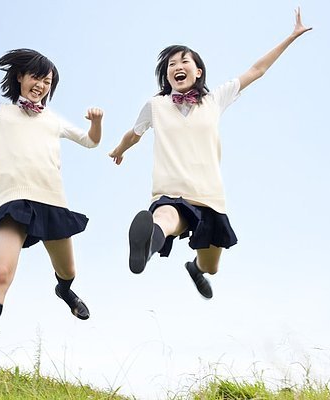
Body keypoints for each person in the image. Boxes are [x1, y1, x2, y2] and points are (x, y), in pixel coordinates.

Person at [0, 34, 103, 384]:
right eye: (36, 77)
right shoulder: (0, 113)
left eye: (48, 81)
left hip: (53, 204)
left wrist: (96, 121)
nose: (41, 84)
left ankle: (64, 290)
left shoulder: (53, 120)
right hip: (13, 203)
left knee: (68, 269)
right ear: (20, 78)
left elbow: (90, 142)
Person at [109, 8, 311, 299]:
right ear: (166, 75)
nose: (177, 66)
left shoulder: (215, 99)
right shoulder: (156, 106)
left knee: (211, 265)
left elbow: (257, 70)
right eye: (170, 64)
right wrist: (119, 149)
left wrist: (291, 37)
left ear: (198, 71)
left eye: (184, 61)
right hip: (172, 190)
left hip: (209, 195)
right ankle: (144, 248)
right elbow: (134, 133)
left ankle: (196, 268)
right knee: (165, 218)